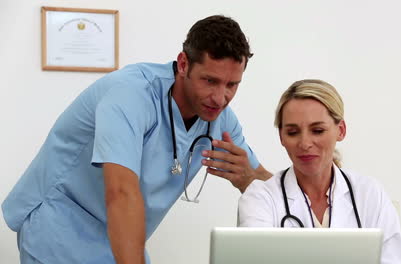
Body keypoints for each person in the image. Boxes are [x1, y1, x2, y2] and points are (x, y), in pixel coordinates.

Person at [2, 15, 271, 264]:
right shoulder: (131, 94)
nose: (220, 97)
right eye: (210, 81)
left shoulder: (219, 117)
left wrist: (250, 180)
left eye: (232, 85)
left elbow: (268, 186)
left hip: (119, 234)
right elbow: (121, 192)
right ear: (183, 64)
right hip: (59, 225)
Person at [238, 79, 401, 264]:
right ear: (281, 136)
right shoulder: (260, 198)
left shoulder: (369, 194)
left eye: (317, 130)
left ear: (341, 131)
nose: (304, 143)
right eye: (293, 132)